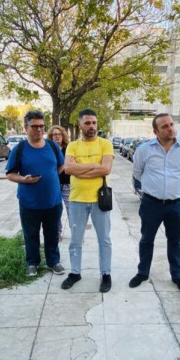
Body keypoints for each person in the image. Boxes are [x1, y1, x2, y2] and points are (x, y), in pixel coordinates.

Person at [129, 113, 180, 292]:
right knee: (146, 239)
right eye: (165, 126)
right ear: (155, 131)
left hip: (176, 205)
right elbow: (137, 172)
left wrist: (172, 187)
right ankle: (142, 272)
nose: (170, 128)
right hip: (151, 204)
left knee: (175, 241)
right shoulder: (144, 150)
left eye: (171, 124)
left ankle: (177, 275)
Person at [60, 109, 114, 293]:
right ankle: (75, 272)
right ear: (80, 125)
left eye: (94, 123)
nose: (92, 126)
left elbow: (106, 169)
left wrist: (79, 169)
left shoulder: (105, 144)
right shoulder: (73, 146)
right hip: (76, 200)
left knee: (104, 239)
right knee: (75, 240)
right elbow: (67, 169)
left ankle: (106, 274)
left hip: (100, 200)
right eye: (87, 123)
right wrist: (94, 166)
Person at [6, 110, 65, 276]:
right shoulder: (19, 149)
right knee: (31, 234)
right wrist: (25, 180)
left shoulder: (52, 146)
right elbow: (10, 174)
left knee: (52, 234)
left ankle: (54, 261)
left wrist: (51, 179)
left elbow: (61, 166)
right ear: (26, 127)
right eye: (35, 126)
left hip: (53, 201)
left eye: (41, 126)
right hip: (29, 202)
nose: (39, 129)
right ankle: (32, 262)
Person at [46, 124, 71, 239]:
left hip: (67, 183)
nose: (57, 136)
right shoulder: (49, 149)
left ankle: (76, 233)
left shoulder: (69, 148)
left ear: (63, 135)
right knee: (55, 211)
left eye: (59, 134)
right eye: (54, 134)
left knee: (71, 209)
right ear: (51, 137)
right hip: (54, 184)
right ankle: (58, 233)